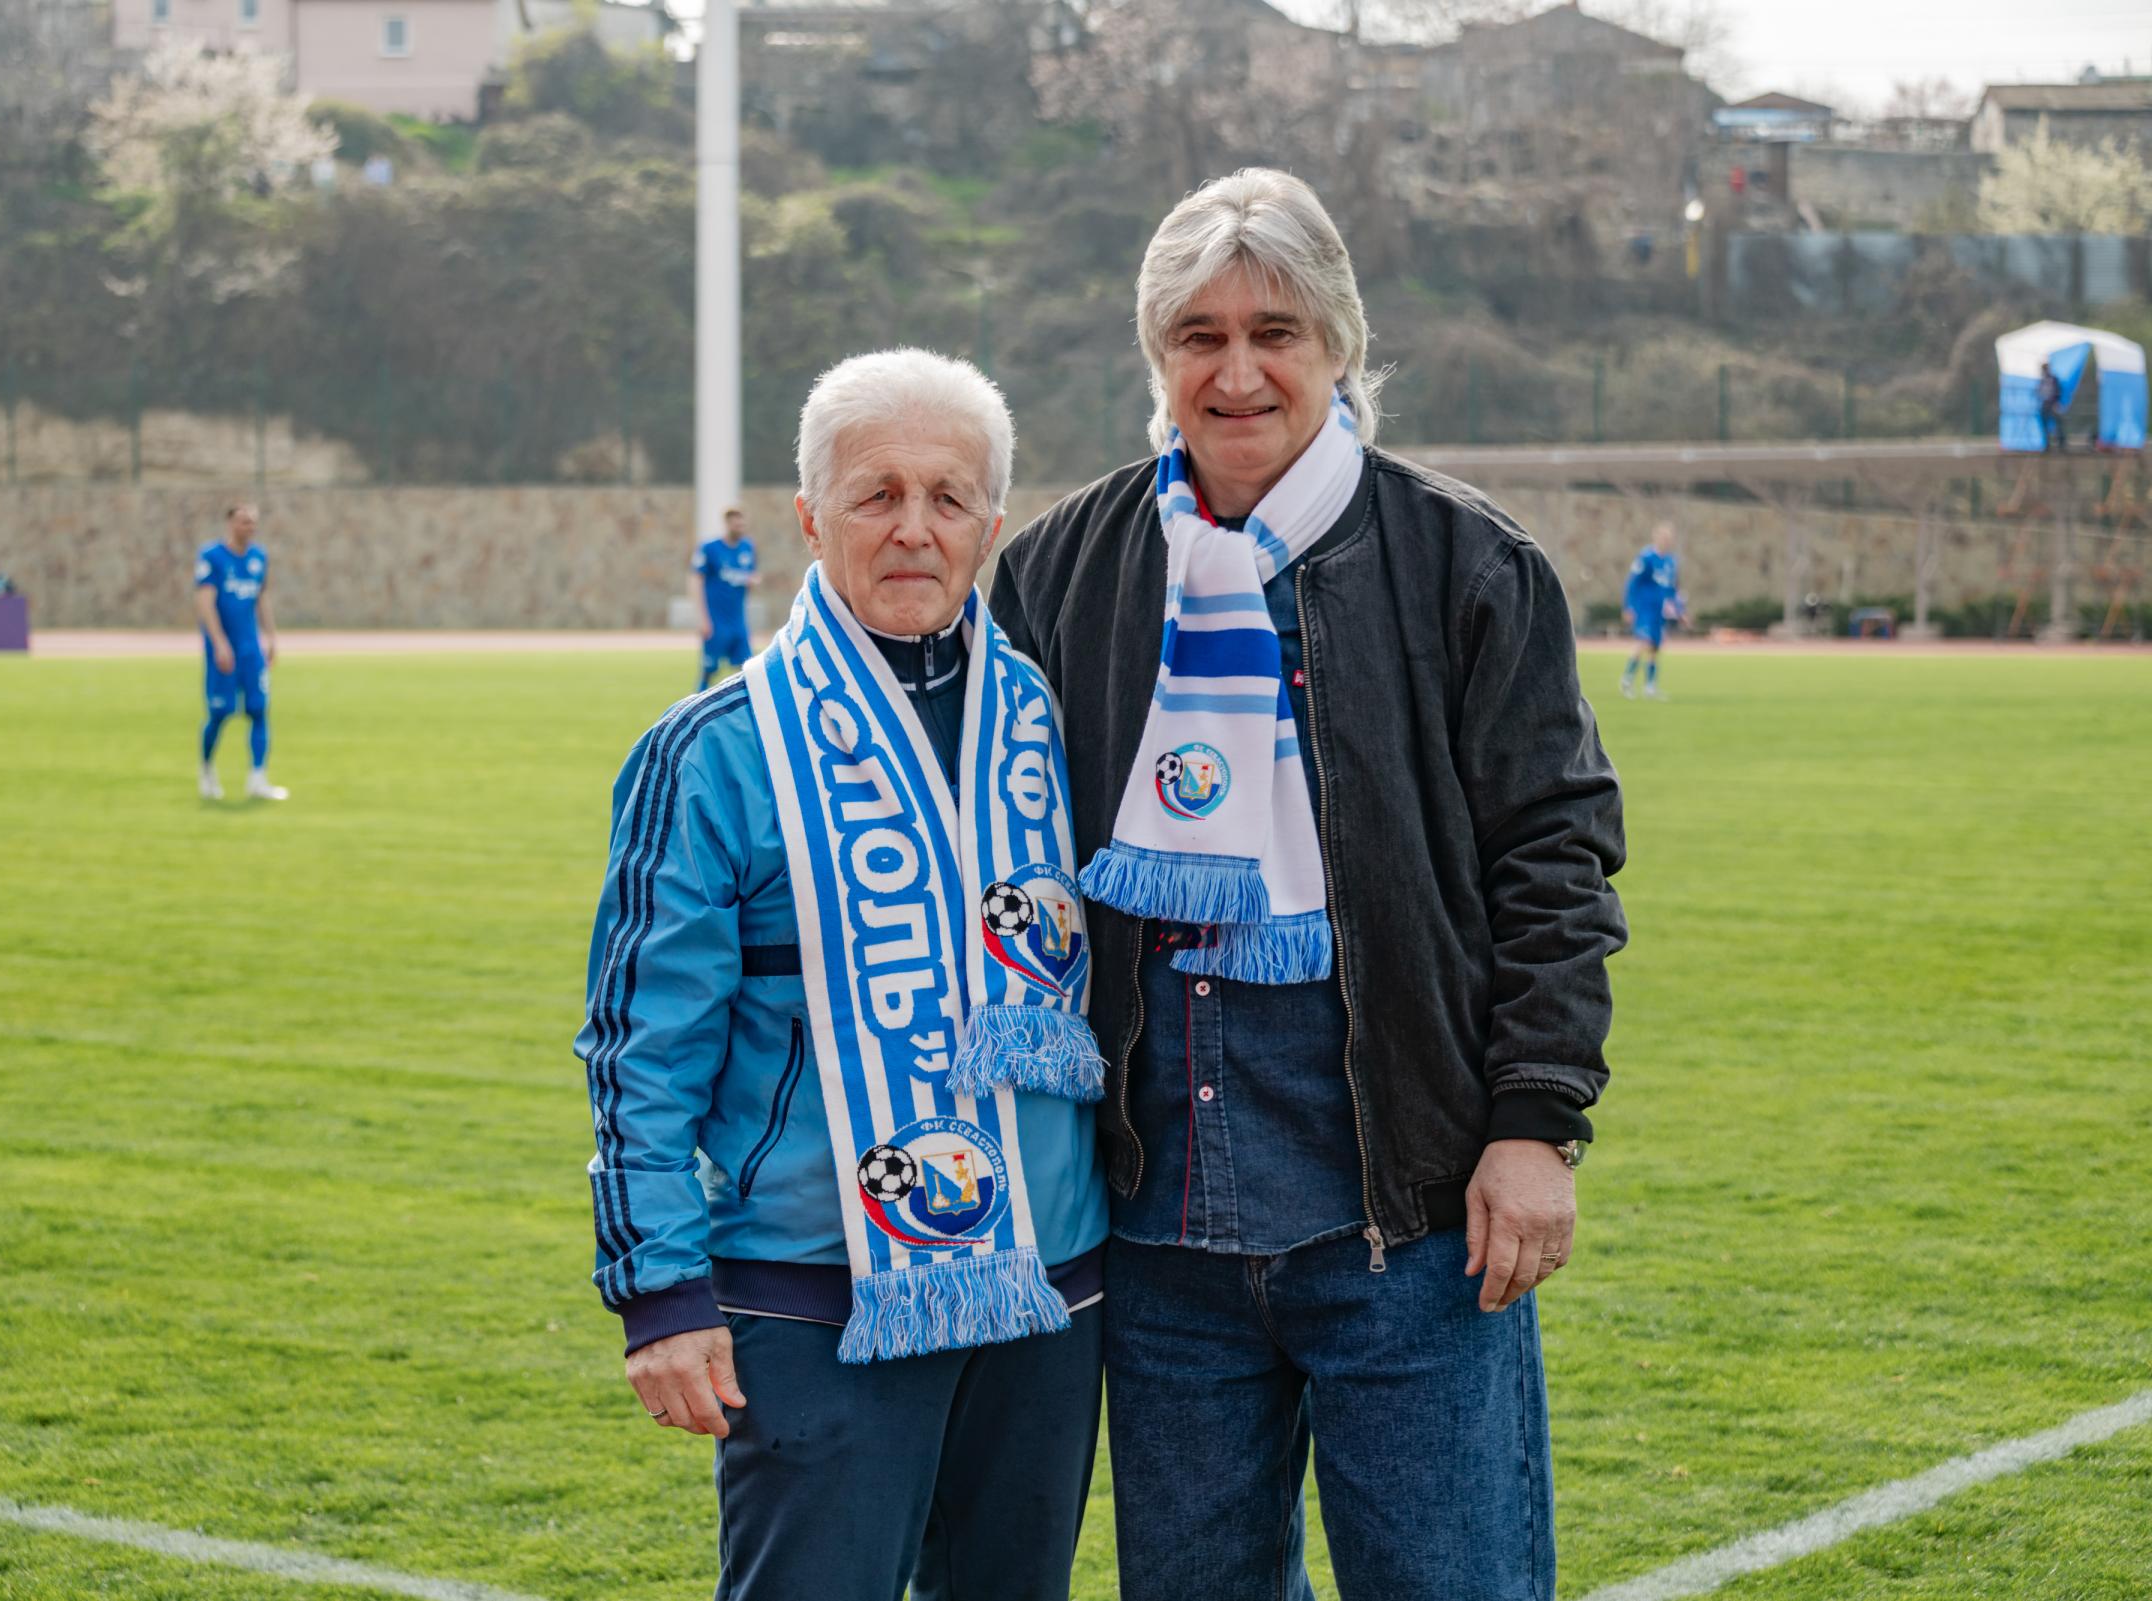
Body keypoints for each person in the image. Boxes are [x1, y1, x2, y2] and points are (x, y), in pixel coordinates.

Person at [990, 169, 1627, 1601]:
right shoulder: (1061, 572)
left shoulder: (1469, 564)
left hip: (1408, 1221)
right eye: (1200, 336)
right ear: (1157, 357)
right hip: (1159, 1234)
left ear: (1339, 342)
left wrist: (1535, 1123)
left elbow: (1555, 858)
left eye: (1274, 331)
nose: (1238, 373)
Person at [580, 350, 1109, 1601]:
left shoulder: (1055, 720)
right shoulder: (712, 751)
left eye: (948, 496)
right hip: (818, 1298)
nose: (914, 527)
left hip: (1050, 1294)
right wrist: (661, 1289)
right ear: (811, 516)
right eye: (877, 494)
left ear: (992, 523)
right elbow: (641, 1050)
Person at [194, 502, 287, 802]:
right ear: (230, 523)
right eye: (244, 521)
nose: (250, 527)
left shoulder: (259, 557)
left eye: (253, 522)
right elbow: (205, 602)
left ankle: (258, 778)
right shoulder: (212, 557)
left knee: (259, 710)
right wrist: (219, 642)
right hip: (224, 651)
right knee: (220, 713)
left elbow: (261, 598)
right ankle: (207, 771)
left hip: (250, 650)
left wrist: (271, 637)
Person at [692, 506, 760, 689]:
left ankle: (747, 706)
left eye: (742, 524)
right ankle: (696, 704)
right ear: (727, 524)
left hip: (738, 621)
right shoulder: (709, 548)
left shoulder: (748, 548)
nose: (740, 528)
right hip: (715, 621)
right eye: (736, 525)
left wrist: (752, 581)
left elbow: (750, 577)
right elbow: (696, 580)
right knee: (709, 670)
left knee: (746, 670)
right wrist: (703, 619)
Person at [1621, 522, 1686, 699]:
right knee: (1644, 642)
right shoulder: (1646, 557)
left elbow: (1672, 589)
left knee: (1655, 648)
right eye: (1663, 537)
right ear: (1655, 537)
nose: (1666, 541)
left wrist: (1680, 611)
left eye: (1668, 538)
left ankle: (1650, 687)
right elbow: (1632, 583)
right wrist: (1628, 606)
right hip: (1644, 607)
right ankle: (1627, 680)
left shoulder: (1671, 561)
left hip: (1659, 610)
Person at [2038, 360, 2069, 452]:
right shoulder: (2042, 381)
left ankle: (2061, 444)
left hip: (2053, 404)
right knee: (2044, 425)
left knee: (2058, 425)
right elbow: (2040, 392)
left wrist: (2056, 402)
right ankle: (2047, 445)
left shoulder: (2054, 379)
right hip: (2045, 405)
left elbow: (2058, 391)